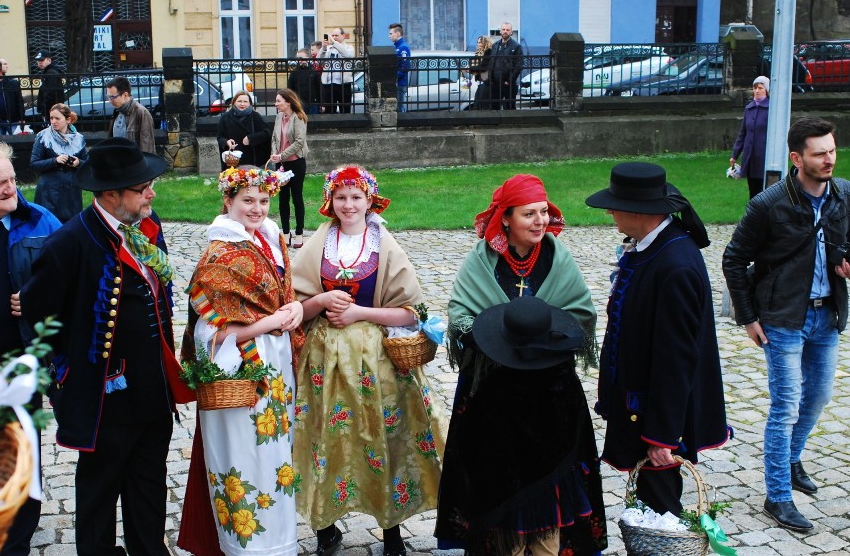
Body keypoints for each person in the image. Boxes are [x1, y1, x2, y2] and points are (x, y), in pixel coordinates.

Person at [17, 137, 194, 555]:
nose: (151, 193)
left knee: (148, 487)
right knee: (99, 494)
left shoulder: (148, 229)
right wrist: (62, 379)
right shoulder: (70, 242)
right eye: (141, 187)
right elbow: (37, 314)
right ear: (110, 195)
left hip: (152, 391)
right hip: (104, 399)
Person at [435, 174, 607, 556]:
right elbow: (461, 315)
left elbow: (581, 314)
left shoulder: (557, 258)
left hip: (550, 392)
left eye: (544, 212)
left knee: (549, 480)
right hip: (492, 392)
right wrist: (492, 338)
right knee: (498, 481)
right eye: (528, 213)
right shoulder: (481, 263)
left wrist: (541, 339)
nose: (539, 221)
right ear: (506, 218)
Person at [292, 166, 444, 556]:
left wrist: (361, 313)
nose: (348, 205)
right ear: (330, 201)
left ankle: (391, 528)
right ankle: (325, 525)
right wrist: (322, 302)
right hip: (324, 359)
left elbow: (411, 312)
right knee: (325, 435)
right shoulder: (318, 244)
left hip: (376, 360)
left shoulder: (385, 245)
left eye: (356, 197)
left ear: (370, 201)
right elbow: (296, 307)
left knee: (383, 436)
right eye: (341, 197)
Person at [723, 116, 850, 532]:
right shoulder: (768, 203)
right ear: (797, 158)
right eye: (819, 153)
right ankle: (777, 495)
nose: (829, 159)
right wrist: (748, 317)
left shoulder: (844, 195)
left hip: (826, 314)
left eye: (832, 150)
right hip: (781, 318)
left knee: (818, 397)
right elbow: (734, 259)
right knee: (785, 406)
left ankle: (792, 459)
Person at [585, 162, 729, 517]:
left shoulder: (674, 264)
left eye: (615, 205)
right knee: (653, 506)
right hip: (642, 404)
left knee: (661, 508)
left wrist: (662, 436)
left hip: (656, 416)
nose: (609, 212)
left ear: (639, 211)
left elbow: (676, 359)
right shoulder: (653, 247)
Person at [176, 164, 305, 555]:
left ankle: (281, 543)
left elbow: (285, 296)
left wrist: (295, 311)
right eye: (247, 200)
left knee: (276, 454)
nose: (257, 208)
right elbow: (207, 332)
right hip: (240, 371)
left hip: (277, 364)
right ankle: (246, 547)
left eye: (264, 200)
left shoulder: (270, 240)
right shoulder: (220, 255)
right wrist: (266, 324)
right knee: (246, 456)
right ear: (228, 201)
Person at [0, 140, 61, 556]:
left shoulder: (41, 221)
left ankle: (16, 535)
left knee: (19, 445)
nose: (8, 189)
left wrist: (39, 299)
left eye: (10, 179)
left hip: (20, 360)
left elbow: (71, 281)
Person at [30, 103, 87, 223]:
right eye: (51, 118)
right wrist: (55, 160)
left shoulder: (79, 139)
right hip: (49, 191)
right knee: (49, 227)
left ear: (68, 120)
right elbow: (34, 163)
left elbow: (88, 164)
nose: (53, 121)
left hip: (71, 192)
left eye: (57, 118)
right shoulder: (43, 136)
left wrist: (78, 163)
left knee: (71, 229)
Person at [270, 88, 309, 249]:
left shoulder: (298, 118)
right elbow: (274, 137)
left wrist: (282, 155)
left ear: (288, 102)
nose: (276, 103)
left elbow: (299, 142)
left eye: (278, 101)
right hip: (281, 164)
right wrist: (274, 154)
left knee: (297, 197)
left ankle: (299, 233)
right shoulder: (279, 117)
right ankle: (286, 233)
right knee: (283, 199)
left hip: (296, 163)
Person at [731, 76, 771, 199]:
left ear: (767, 90)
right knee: (753, 191)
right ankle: (754, 216)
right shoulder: (749, 108)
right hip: (750, 157)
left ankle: (764, 217)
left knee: (764, 190)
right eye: (755, 88)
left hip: (763, 157)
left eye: (760, 88)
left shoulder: (771, 109)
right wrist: (735, 155)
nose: (757, 91)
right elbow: (743, 133)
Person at [216, 90, 272, 168]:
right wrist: (226, 142)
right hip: (233, 160)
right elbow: (220, 137)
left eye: (245, 101)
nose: (242, 104)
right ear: (234, 102)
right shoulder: (225, 118)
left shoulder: (255, 116)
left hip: (252, 160)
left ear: (250, 103)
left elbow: (267, 133)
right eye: (239, 101)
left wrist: (250, 139)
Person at [106, 76, 156, 154]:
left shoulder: (141, 112)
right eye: (108, 97)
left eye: (112, 97)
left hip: (134, 164)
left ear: (125, 95)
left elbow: (147, 148)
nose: (110, 101)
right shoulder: (117, 111)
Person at [317, 28, 355, 113]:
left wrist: (335, 43)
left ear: (343, 36)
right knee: (329, 111)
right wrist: (323, 48)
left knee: (345, 110)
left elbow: (347, 55)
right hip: (328, 84)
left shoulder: (349, 47)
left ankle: (345, 126)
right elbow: (318, 62)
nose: (334, 37)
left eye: (336, 35)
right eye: (333, 35)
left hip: (344, 84)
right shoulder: (328, 48)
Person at [488, 23, 523, 110]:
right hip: (495, 83)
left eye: (507, 30)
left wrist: (509, 81)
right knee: (494, 107)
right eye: (503, 29)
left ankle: (510, 124)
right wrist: (490, 79)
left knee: (509, 108)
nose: (505, 32)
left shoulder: (516, 46)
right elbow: (491, 62)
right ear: (500, 31)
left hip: (508, 84)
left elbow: (518, 65)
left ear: (511, 32)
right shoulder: (495, 45)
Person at [288, 48, 321, 115]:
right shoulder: (294, 72)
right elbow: (290, 89)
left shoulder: (314, 71)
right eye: (297, 58)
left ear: (307, 58)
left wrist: (322, 104)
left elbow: (319, 88)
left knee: (313, 122)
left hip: (312, 102)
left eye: (301, 58)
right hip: (299, 102)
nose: (299, 60)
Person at [34, 50, 64, 124]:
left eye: (42, 60)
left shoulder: (51, 73)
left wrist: (45, 112)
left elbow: (49, 95)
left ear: (49, 60)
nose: (40, 62)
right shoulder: (48, 72)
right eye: (38, 60)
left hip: (52, 112)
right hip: (52, 111)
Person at [0, 58, 25, 136]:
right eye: (4, 64)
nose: (7, 66)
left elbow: (19, 101)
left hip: (13, 120)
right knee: (1, 145)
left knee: (15, 143)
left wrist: (22, 118)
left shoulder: (12, 82)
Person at [388, 23, 411, 113]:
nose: (389, 36)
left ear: (397, 34)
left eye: (391, 33)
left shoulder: (403, 47)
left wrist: (395, 76)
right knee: (397, 108)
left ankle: (402, 126)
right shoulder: (397, 46)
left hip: (400, 83)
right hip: (397, 82)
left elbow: (405, 66)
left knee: (400, 108)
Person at [470, 36, 493, 110]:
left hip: (485, 81)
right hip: (480, 81)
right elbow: (477, 66)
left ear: (484, 43)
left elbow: (483, 67)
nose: (478, 44)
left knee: (480, 104)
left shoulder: (488, 52)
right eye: (477, 42)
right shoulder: (478, 53)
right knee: (477, 104)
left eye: (480, 42)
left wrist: (470, 69)